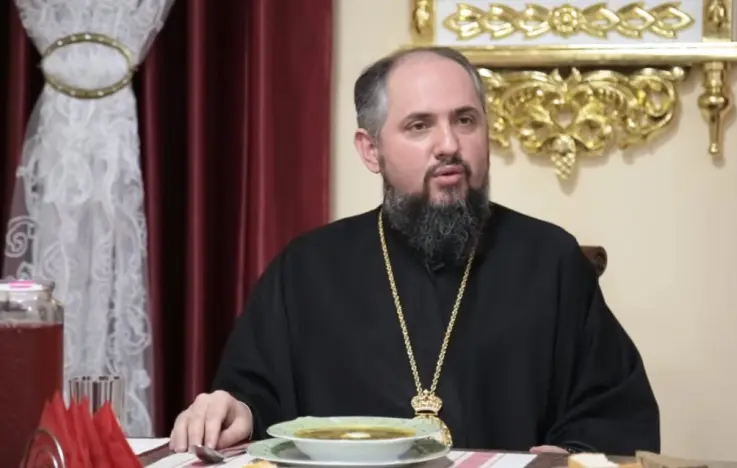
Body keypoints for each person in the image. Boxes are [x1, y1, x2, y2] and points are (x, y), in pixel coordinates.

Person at [168, 46, 660, 455]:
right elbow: (255, 402)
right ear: (371, 150)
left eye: (465, 120)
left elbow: (612, 413)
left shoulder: (550, 261)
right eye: (419, 125)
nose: (449, 144)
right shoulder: (306, 269)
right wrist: (236, 410)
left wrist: (572, 455)